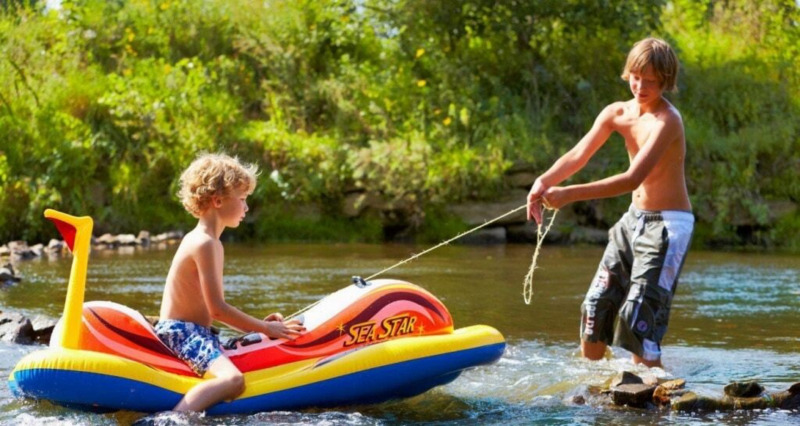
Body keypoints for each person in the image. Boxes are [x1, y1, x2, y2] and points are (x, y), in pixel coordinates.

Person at [527, 38, 694, 368]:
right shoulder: (616, 112)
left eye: (651, 81)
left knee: (637, 319)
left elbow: (631, 179)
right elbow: (579, 154)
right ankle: (594, 391)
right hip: (633, 220)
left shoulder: (667, 121)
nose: (641, 86)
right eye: (636, 76)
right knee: (594, 308)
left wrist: (568, 194)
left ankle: (651, 398)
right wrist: (544, 182)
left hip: (668, 226)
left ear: (665, 81)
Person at [156, 153, 305, 412]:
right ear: (217, 200)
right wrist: (264, 329)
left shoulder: (208, 241)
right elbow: (217, 310)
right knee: (233, 380)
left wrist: (258, 328)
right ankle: (172, 419)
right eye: (243, 199)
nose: (247, 208)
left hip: (194, 333)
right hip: (182, 334)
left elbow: (211, 309)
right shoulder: (205, 243)